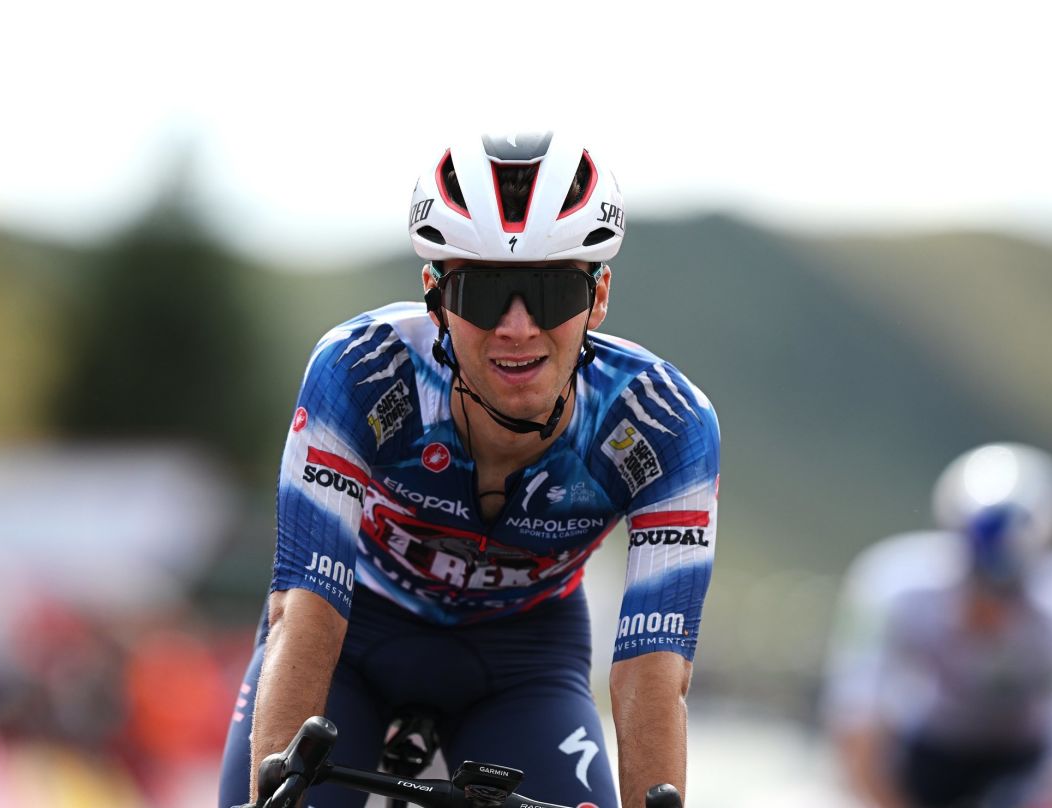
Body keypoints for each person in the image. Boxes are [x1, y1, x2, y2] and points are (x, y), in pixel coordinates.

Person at [218, 132, 721, 808]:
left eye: (551, 292)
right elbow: (307, 607)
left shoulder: (663, 424)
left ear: (598, 296)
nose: (517, 327)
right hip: (355, 635)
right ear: (435, 296)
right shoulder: (361, 371)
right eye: (483, 293)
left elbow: (652, 671)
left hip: (523, 665)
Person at [822, 443, 1052, 808]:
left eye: (1008, 589)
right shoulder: (891, 584)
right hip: (929, 745)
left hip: (1025, 759)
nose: (987, 608)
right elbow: (855, 723)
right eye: (973, 580)